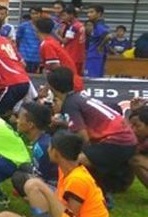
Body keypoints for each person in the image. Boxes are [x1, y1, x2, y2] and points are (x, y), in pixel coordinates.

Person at [47, 67, 137, 197]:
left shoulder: (69, 103)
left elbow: (83, 138)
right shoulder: (80, 95)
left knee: (73, 159)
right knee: (86, 154)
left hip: (117, 142)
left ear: (53, 88)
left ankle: (92, 193)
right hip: (126, 139)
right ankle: (113, 182)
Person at [15, 102, 58, 188]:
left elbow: (43, 178)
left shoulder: (42, 148)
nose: (17, 121)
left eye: (20, 118)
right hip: (46, 178)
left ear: (30, 125)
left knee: (17, 178)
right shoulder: (42, 140)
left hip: (53, 186)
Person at [34, 17, 83, 92]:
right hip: (70, 83)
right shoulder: (51, 42)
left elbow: (56, 70)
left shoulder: (47, 44)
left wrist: (45, 90)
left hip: (68, 86)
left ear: (36, 29)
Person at [58, 6, 86, 76]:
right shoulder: (81, 25)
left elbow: (64, 41)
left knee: (70, 76)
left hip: (71, 55)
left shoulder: (73, 27)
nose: (63, 18)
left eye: (64, 15)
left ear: (71, 15)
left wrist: (55, 34)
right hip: (79, 56)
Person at [85, 5, 109, 78]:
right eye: (88, 12)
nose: (88, 14)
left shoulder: (99, 25)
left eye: (91, 12)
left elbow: (108, 36)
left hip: (95, 57)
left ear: (99, 14)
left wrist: (100, 46)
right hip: (94, 55)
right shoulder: (95, 25)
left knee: (93, 78)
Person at [15, 9, 42, 73]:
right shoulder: (23, 26)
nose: (35, 15)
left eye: (37, 13)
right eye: (33, 13)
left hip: (37, 58)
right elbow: (17, 39)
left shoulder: (43, 26)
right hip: (24, 57)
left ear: (40, 14)